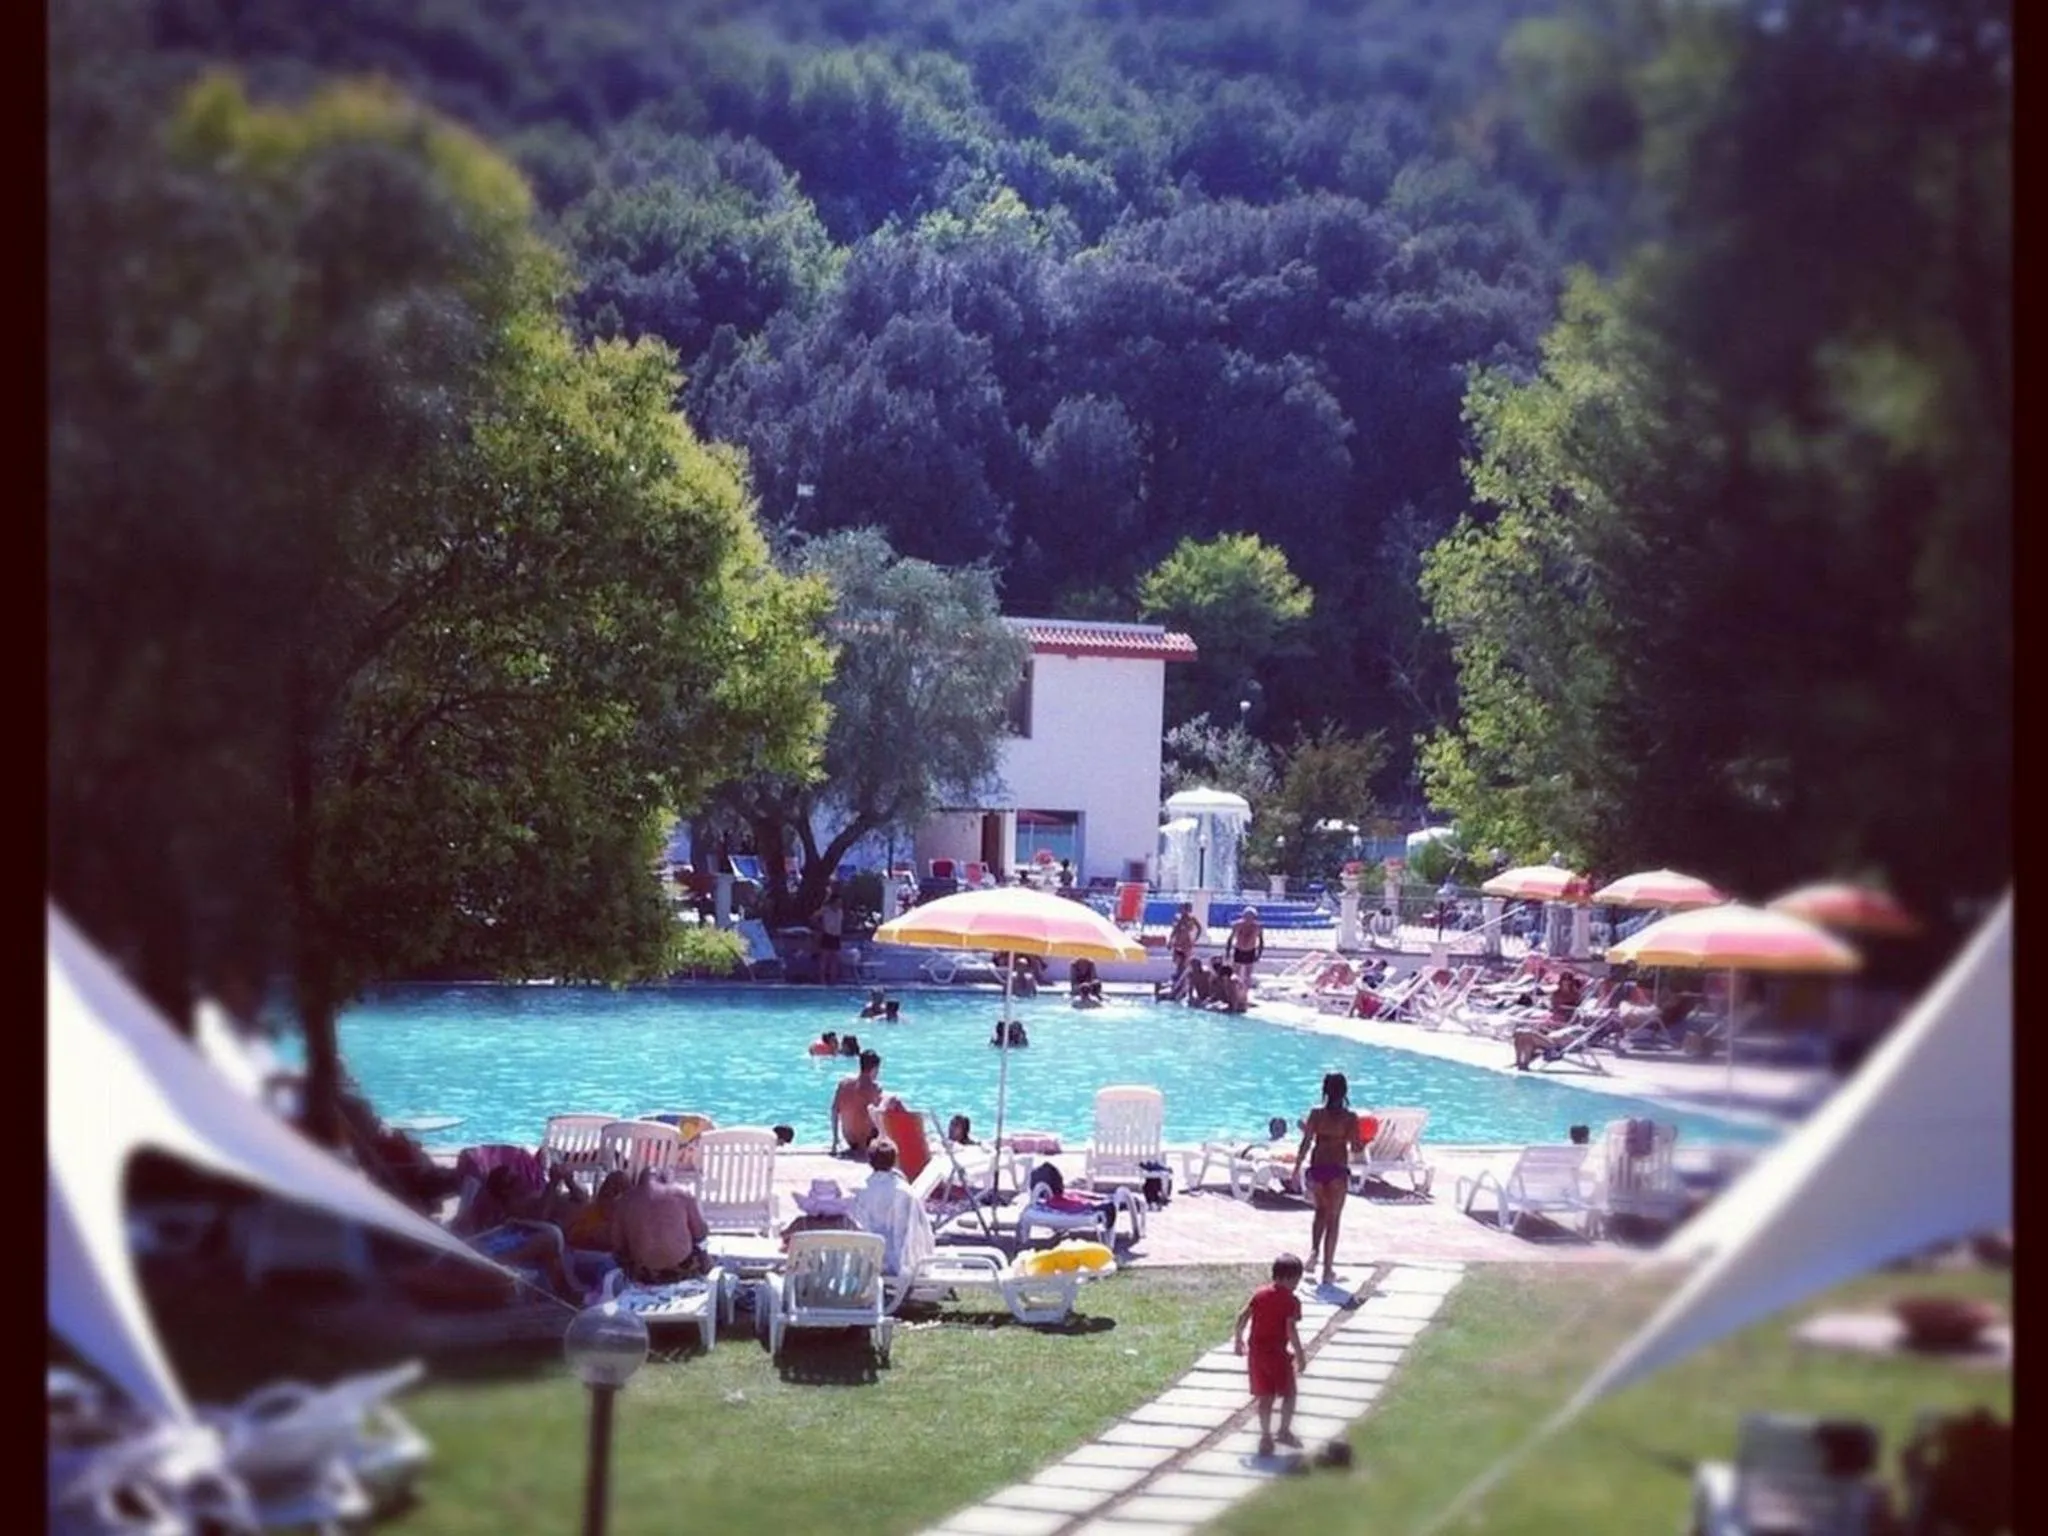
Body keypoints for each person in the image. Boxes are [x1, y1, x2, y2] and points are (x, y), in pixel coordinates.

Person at [1233, 1253, 1309, 1459]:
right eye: (1295, 1280)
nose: (1296, 1284)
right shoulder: (1291, 1302)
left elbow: (1243, 1315)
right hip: (1277, 1355)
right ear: (1286, 1278)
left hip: (1256, 1354)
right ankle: (1283, 1431)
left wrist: (1238, 1339)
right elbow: (1291, 1330)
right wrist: (1301, 1356)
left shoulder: (1259, 1294)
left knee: (1265, 1397)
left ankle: (1265, 1436)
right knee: (1290, 1394)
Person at [1296, 1072, 1363, 1286]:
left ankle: (1314, 1251)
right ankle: (1327, 1270)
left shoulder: (1316, 1114)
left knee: (1319, 1212)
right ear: (1345, 1092)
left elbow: (1306, 1143)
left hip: (1317, 1169)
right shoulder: (1350, 1118)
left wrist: (1296, 1167)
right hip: (1337, 1171)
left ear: (1324, 1090)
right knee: (1334, 1220)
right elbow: (1356, 1148)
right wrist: (1364, 1142)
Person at [847, 1139, 936, 1278]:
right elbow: (919, 1232)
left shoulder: (860, 1193)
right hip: (901, 1260)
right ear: (895, 1161)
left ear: (870, 1161)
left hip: (869, 1260)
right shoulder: (906, 1192)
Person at [612, 1167, 712, 1283]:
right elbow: (700, 1232)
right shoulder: (681, 1193)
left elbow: (618, 1245)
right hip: (681, 1265)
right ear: (664, 1180)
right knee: (701, 1246)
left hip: (645, 1271)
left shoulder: (624, 1200)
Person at [830, 1048, 885, 1155]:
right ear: (874, 1069)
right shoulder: (875, 1089)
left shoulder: (844, 1084)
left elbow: (834, 1111)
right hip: (868, 1141)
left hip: (850, 1140)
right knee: (890, 1103)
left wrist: (835, 1139)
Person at [780, 1178, 860, 1248]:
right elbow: (861, 1241)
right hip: (839, 1265)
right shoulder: (846, 1223)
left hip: (806, 1265)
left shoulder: (801, 1224)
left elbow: (785, 1243)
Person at [815, 888, 846, 986]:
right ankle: (822, 979)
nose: (839, 904)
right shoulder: (825, 910)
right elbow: (813, 917)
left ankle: (833, 980)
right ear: (833, 902)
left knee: (835, 959)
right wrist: (820, 927)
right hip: (827, 935)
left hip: (836, 936)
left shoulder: (840, 911)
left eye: (840, 902)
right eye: (837, 902)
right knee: (824, 959)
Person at [1229, 906, 1265, 992]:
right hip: (1239, 950)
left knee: (1247, 975)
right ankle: (1235, 991)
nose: (1248, 919)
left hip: (1250, 951)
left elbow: (1261, 941)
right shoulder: (1237, 925)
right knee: (1236, 973)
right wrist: (1228, 951)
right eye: (1247, 916)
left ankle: (1245, 992)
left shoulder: (1257, 927)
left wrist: (1259, 954)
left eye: (1250, 916)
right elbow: (1230, 939)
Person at [1168, 902, 1204, 975]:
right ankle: (1178, 974)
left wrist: (1195, 939)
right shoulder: (1178, 919)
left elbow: (1199, 929)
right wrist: (1170, 941)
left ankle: (1182, 975)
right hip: (1178, 942)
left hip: (1186, 943)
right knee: (1177, 960)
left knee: (1185, 961)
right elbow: (1174, 931)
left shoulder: (1192, 919)